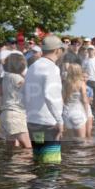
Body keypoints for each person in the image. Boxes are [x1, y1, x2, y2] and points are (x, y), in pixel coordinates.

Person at [22, 35, 65, 164]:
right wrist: (59, 120)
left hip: (33, 122)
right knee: (51, 165)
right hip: (48, 123)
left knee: (39, 160)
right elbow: (51, 96)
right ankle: (47, 184)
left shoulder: (33, 66)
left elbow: (23, 92)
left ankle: (37, 184)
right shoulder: (52, 68)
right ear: (58, 50)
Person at [0, 52, 31, 149]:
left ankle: (12, 164)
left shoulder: (6, 76)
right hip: (16, 115)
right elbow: (29, 86)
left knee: (12, 149)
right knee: (28, 148)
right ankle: (21, 164)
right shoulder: (16, 77)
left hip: (6, 115)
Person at [61, 57, 93, 140]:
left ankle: (71, 153)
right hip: (78, 112)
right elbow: (85, 101)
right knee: (82, 141)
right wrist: (86, 114)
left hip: (67, 113)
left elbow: (62, 101)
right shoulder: (81, 83)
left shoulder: (65, 83)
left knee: (72, 141)